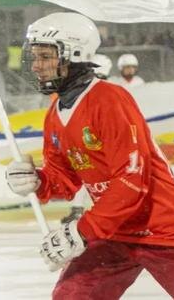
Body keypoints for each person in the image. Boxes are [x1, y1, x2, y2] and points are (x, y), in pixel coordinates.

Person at [4, 12, 174, 299]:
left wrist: (81, 231)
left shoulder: (109, 99)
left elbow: (132, 183)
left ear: (74, 54)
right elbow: (64, 180)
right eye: (35, 57)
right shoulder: (55, 114)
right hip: (115, 231)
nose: (37, 66)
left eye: (45, 56)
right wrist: (37, 181)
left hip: (169, 228)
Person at [60, 52, 115, 225]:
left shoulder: (109, 94)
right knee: (85, 174)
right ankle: (79, 209)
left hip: (102, 144)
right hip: (88, 141)